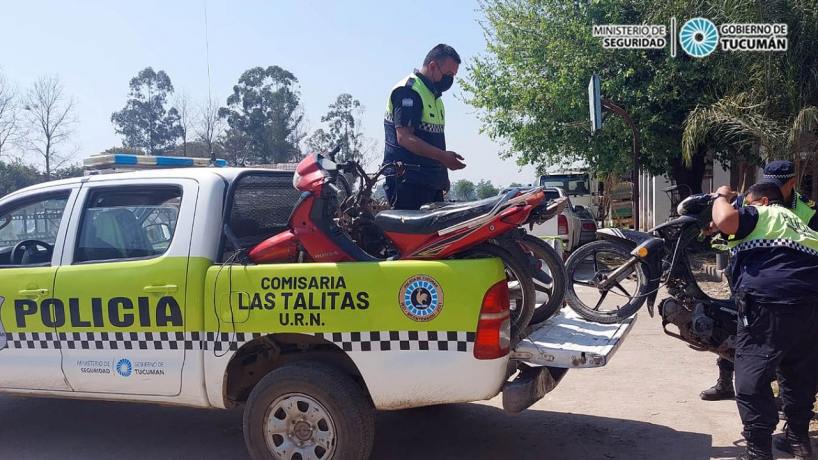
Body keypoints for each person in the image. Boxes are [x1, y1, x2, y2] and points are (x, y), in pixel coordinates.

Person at [711, 181, 818, 459]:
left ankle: (759, 452)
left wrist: (722, 195)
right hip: (809, 307)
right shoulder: (802, 224)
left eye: (747, 202)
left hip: (768, 304)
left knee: (751, 378)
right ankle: (798, 442)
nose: (744, 207)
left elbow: (724, 219)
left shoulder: (764, 213)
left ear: (763, 202)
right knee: (798, 376)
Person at [701, 160, 818, 401]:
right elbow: (722, 222)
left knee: (787, 348)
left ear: (792, 184)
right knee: (735, 325)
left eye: (777, 185)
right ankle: (725, 382)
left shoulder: (808, 211)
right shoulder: (752, 198)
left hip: (791, 283)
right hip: (749, 275)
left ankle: (777, 394)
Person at [382, 44, 466, 210]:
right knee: (410, 236)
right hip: (408, 184)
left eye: (454, 76)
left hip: (430, 183)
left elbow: (435, 142)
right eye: (448, 74)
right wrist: (443, 157)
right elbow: (404, 138)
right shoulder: (409, 91)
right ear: (433, 66)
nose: (450, 80)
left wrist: (443, 175)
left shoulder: (435, 98)